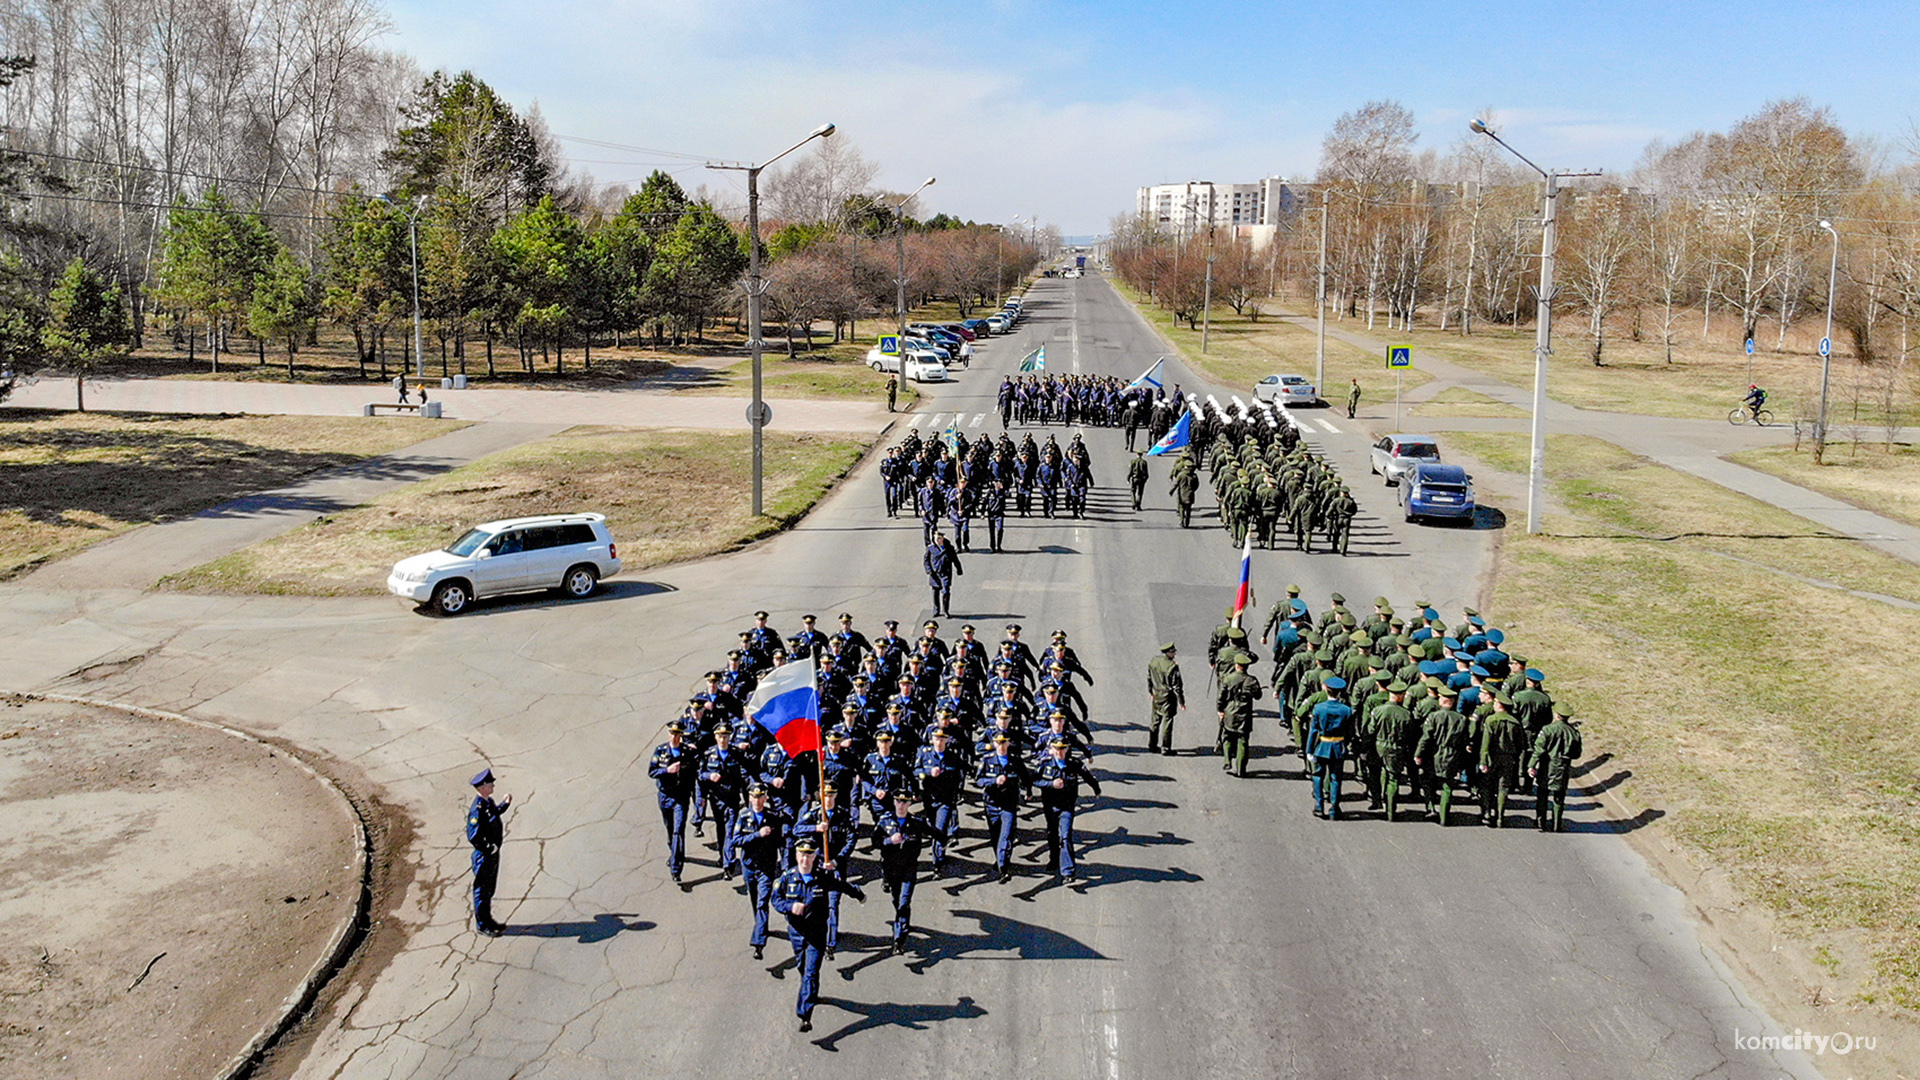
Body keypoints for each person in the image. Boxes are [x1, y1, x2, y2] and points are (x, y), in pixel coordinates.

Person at [774, 837, 865, 1032]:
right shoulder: (787, 878)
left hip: (817, 933)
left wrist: (858, 894)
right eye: (801, 854)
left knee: (810, 972)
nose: (804, 859)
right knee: (803, 968)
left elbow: (841, 886)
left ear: (815, 856)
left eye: (809, 855)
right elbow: (776, 900)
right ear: (796, 855)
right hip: (797, 933)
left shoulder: (822, 876)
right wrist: (790, 907)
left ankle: (805, 1015)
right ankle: (810, 993)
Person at [1033, 734, 1102, 881]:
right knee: (1052, 834)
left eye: (1063, 749)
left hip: (1067, 806)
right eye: (1057, 749)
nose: (1059, 752)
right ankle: (1054, 860)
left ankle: (1068, 871)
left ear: (1067, 749)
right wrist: (1051, 784)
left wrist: (1096, 789)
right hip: (1050, 806)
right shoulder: (1045, 764)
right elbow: (1034, 781)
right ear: (1051, 749)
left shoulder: (1074, 764)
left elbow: (1087, 776)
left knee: (1065, 836)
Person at [873, 789, 935, 953]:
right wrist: (889, 841)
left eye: (905, 802)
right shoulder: (885, 821)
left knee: (904, 902)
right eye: (898, 801)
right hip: (891, 868)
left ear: (910, 804)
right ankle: (902, 922)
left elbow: (934, 833)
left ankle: (898, 939)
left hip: (909, 867)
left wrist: (944, 840)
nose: (901, 805)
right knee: (896, 899)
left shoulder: (915, 822)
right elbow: (875, 841)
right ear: (894, 802)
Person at [731, 783, 788, 959]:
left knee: (763, 901)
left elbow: (781, 842)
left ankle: (758, 944)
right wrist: (757, 835)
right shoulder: (744, 816)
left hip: (766, 866)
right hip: (749, 866)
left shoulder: (773, 816)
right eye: (754, 797)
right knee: (755, 900)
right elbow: (736, 840)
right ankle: (761, 925)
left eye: (760, 796)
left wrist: (785, 868)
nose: (757, 800)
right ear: (749, 798)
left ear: (765, 798)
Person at [975, 730, 1027, 883]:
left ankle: (1003, 867)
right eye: (998, 743)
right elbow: (979, 780)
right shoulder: (987, 760)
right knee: (996, 835)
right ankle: (1001, 859)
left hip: (1009, 803)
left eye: (1004, 742)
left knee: (1006, 834)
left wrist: (1028, 791)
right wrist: (993, 782)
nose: (1001, 746)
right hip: (991, 803)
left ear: (1008, 743)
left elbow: (1025, 777)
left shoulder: (1015, 761)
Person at [648, 720, 696, 882]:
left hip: (681, 798)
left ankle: (676, 868)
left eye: (677, 734)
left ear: (681, 736)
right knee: (670, 829)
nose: (674, 737)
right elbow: (652, 771)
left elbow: (695, 774)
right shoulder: (660, 751)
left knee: (678, 831)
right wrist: (667, 770)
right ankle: (674, 850)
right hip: (665, 796)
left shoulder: (687, 753)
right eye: (672, 734)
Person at [466, 768, 510, 936]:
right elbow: (473, 836)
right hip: (484, 857)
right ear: (483, 786)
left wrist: (505, 804)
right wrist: (489, 848)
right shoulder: (476, 810)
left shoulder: (487, 802)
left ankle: (488, 919)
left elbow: (494, 814)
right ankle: (483, 925)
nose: (493, 785)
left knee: (489, 889)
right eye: (491, 783)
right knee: (482, 892)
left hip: (492, 854)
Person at [1529, 703, 1585, 832]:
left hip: (1547, 766)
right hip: (1563, 768)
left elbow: (1539, 749)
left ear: (1557, 715)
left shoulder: (1548, 729)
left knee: (1542, 794)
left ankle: (1541, 821)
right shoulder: (1574, 733)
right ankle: (1557, 824)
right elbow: (1577, 754)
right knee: (1559, 797)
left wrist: (1531, 765)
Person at [1307, 677, 1354, 819]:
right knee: (1336, 778)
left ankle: (1319, 806)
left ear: (1326, 690)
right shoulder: (1346, 710)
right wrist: (1345, 745)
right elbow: (1350, 732)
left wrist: (1309, 749)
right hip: (1338, 746)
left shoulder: (1319, 708)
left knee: (1318, 775)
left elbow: (1313, 730)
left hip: (1322, 745)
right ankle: (1334, 808)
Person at [1215, 650, 1263, 778]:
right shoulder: (1251, 681)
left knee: (1226, 736)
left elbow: (1221, 696)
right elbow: (1258, 696)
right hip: (1245, 713)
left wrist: (1220, 709)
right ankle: (1241, 769)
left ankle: (1227, 759)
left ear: (1236, 665)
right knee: (1243, 740)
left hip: (1230, 711)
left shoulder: (1228, 678)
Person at [1146, 641, 1185, 755]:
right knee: (1167, 723)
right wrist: (1181, 702)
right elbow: (1178, 687)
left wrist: (1150, 692)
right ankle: (1166, 748)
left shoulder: (1154, 661)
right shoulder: (1172, 666)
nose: (1174, 654)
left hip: (1157, 695)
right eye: (1173, 652)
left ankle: (1152, 745)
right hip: (1168, 698)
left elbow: (1149, 678)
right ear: (1168, 653)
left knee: (1155, 721)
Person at [924, 531, 962, 617]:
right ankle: (936, 610)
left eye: (939, 538)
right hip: (935, 574)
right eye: (936, 539)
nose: (937, 540)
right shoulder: (930, 548)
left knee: (946, 592)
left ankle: (946, 610)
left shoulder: (949, 548)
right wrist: (929, 570)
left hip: (946, 573)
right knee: (935, 592)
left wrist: (959, 569)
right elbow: (926, 561)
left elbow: (955, 559)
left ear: (943, 538)